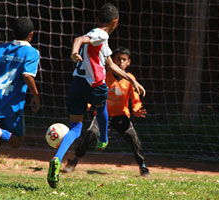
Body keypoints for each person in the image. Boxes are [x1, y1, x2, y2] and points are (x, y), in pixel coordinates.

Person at [47, 3, 146, 189]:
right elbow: (80, 39)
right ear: (114, 22)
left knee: (75, 129)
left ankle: (57, 158)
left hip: (77, 84)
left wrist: (132, 81)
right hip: (93, 85)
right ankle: (103, 139)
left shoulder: (102, 40)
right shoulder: (101, 34)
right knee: (102, 106)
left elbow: (110, 64)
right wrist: (74, 52)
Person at [0, 17, 41, 185]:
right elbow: (27, 75)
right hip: (12, 103)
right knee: (17, 141)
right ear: (31, 35)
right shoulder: (31, 52)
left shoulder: (0, 49)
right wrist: (36, 96)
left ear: (12, 33)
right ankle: (1, 133)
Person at [63, 47, 150, 176]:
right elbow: (94, 92)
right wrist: (88, 103)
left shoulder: (130, 79)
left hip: (121, 116)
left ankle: (142, 166)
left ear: (129, 62)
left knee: (133, 137)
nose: (121, 62)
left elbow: (136, 99)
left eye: (124, 60)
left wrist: (136, 109)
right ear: (112, 61)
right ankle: (74, 161)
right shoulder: (103, 74)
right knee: (91, 132)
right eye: (118, 59)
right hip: (102, 114)